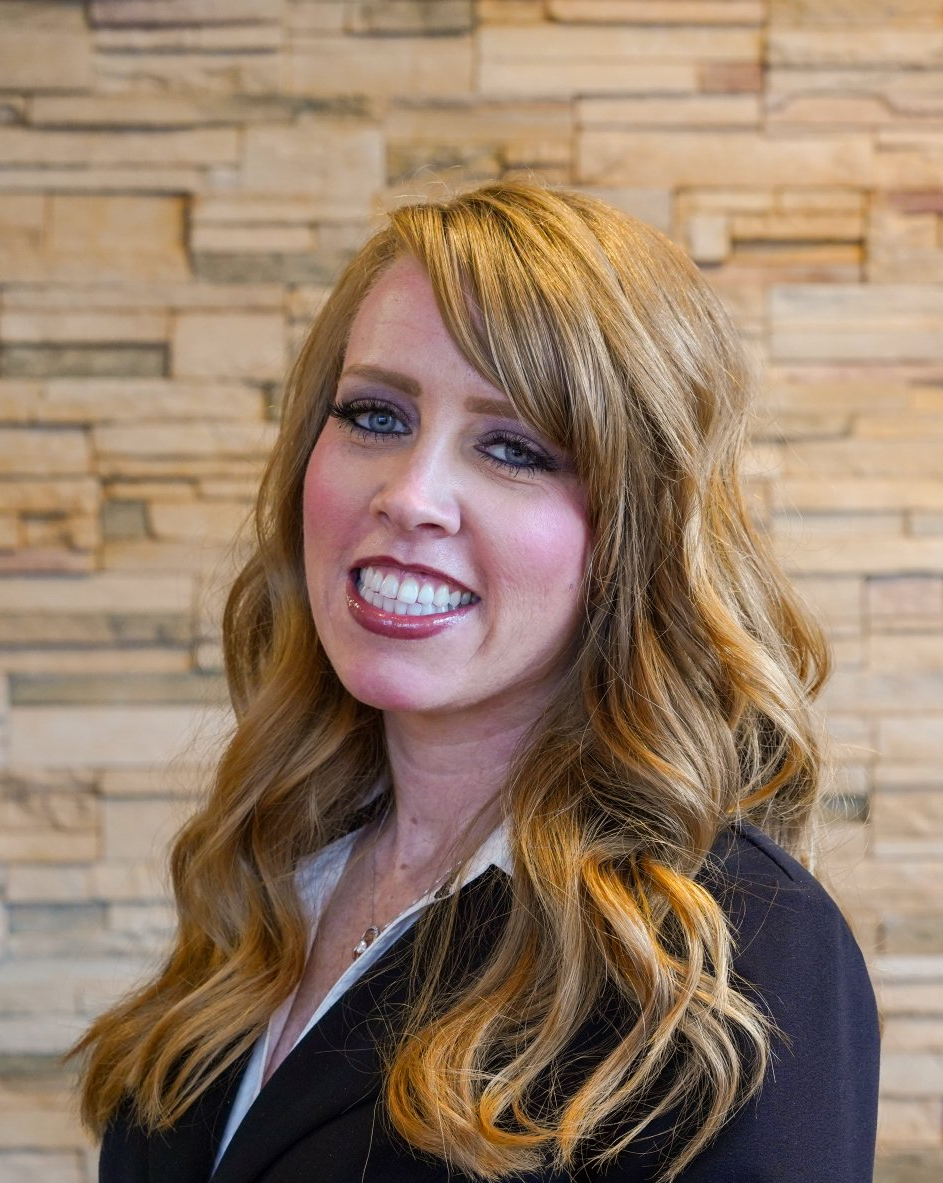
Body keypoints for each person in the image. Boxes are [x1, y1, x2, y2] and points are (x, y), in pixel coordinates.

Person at [73, 181, 879, 1183]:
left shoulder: (730, 950)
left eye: (512, 448)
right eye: (375, 414)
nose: (409, 496)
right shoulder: (281, 867)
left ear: (635, 529)